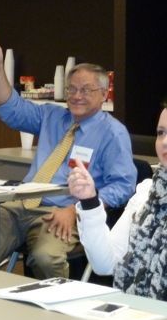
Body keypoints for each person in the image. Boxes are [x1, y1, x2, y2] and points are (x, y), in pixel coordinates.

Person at [0, 36, 136, 279]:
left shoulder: (112, 133)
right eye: (72, 89)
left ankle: (60, 303)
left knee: (45, 258)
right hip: (21, 204)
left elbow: (123, 185)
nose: (77, 95)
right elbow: (10, 107)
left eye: (86, 90)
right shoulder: (52, 116)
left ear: (104, 93)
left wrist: (77, 210)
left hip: (62, 212)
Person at [69, 102, 165, 299]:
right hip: (135, 310)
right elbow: (104, 263)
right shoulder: (147, 193)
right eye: (161, 133)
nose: (164, 141)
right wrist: (89, 201)